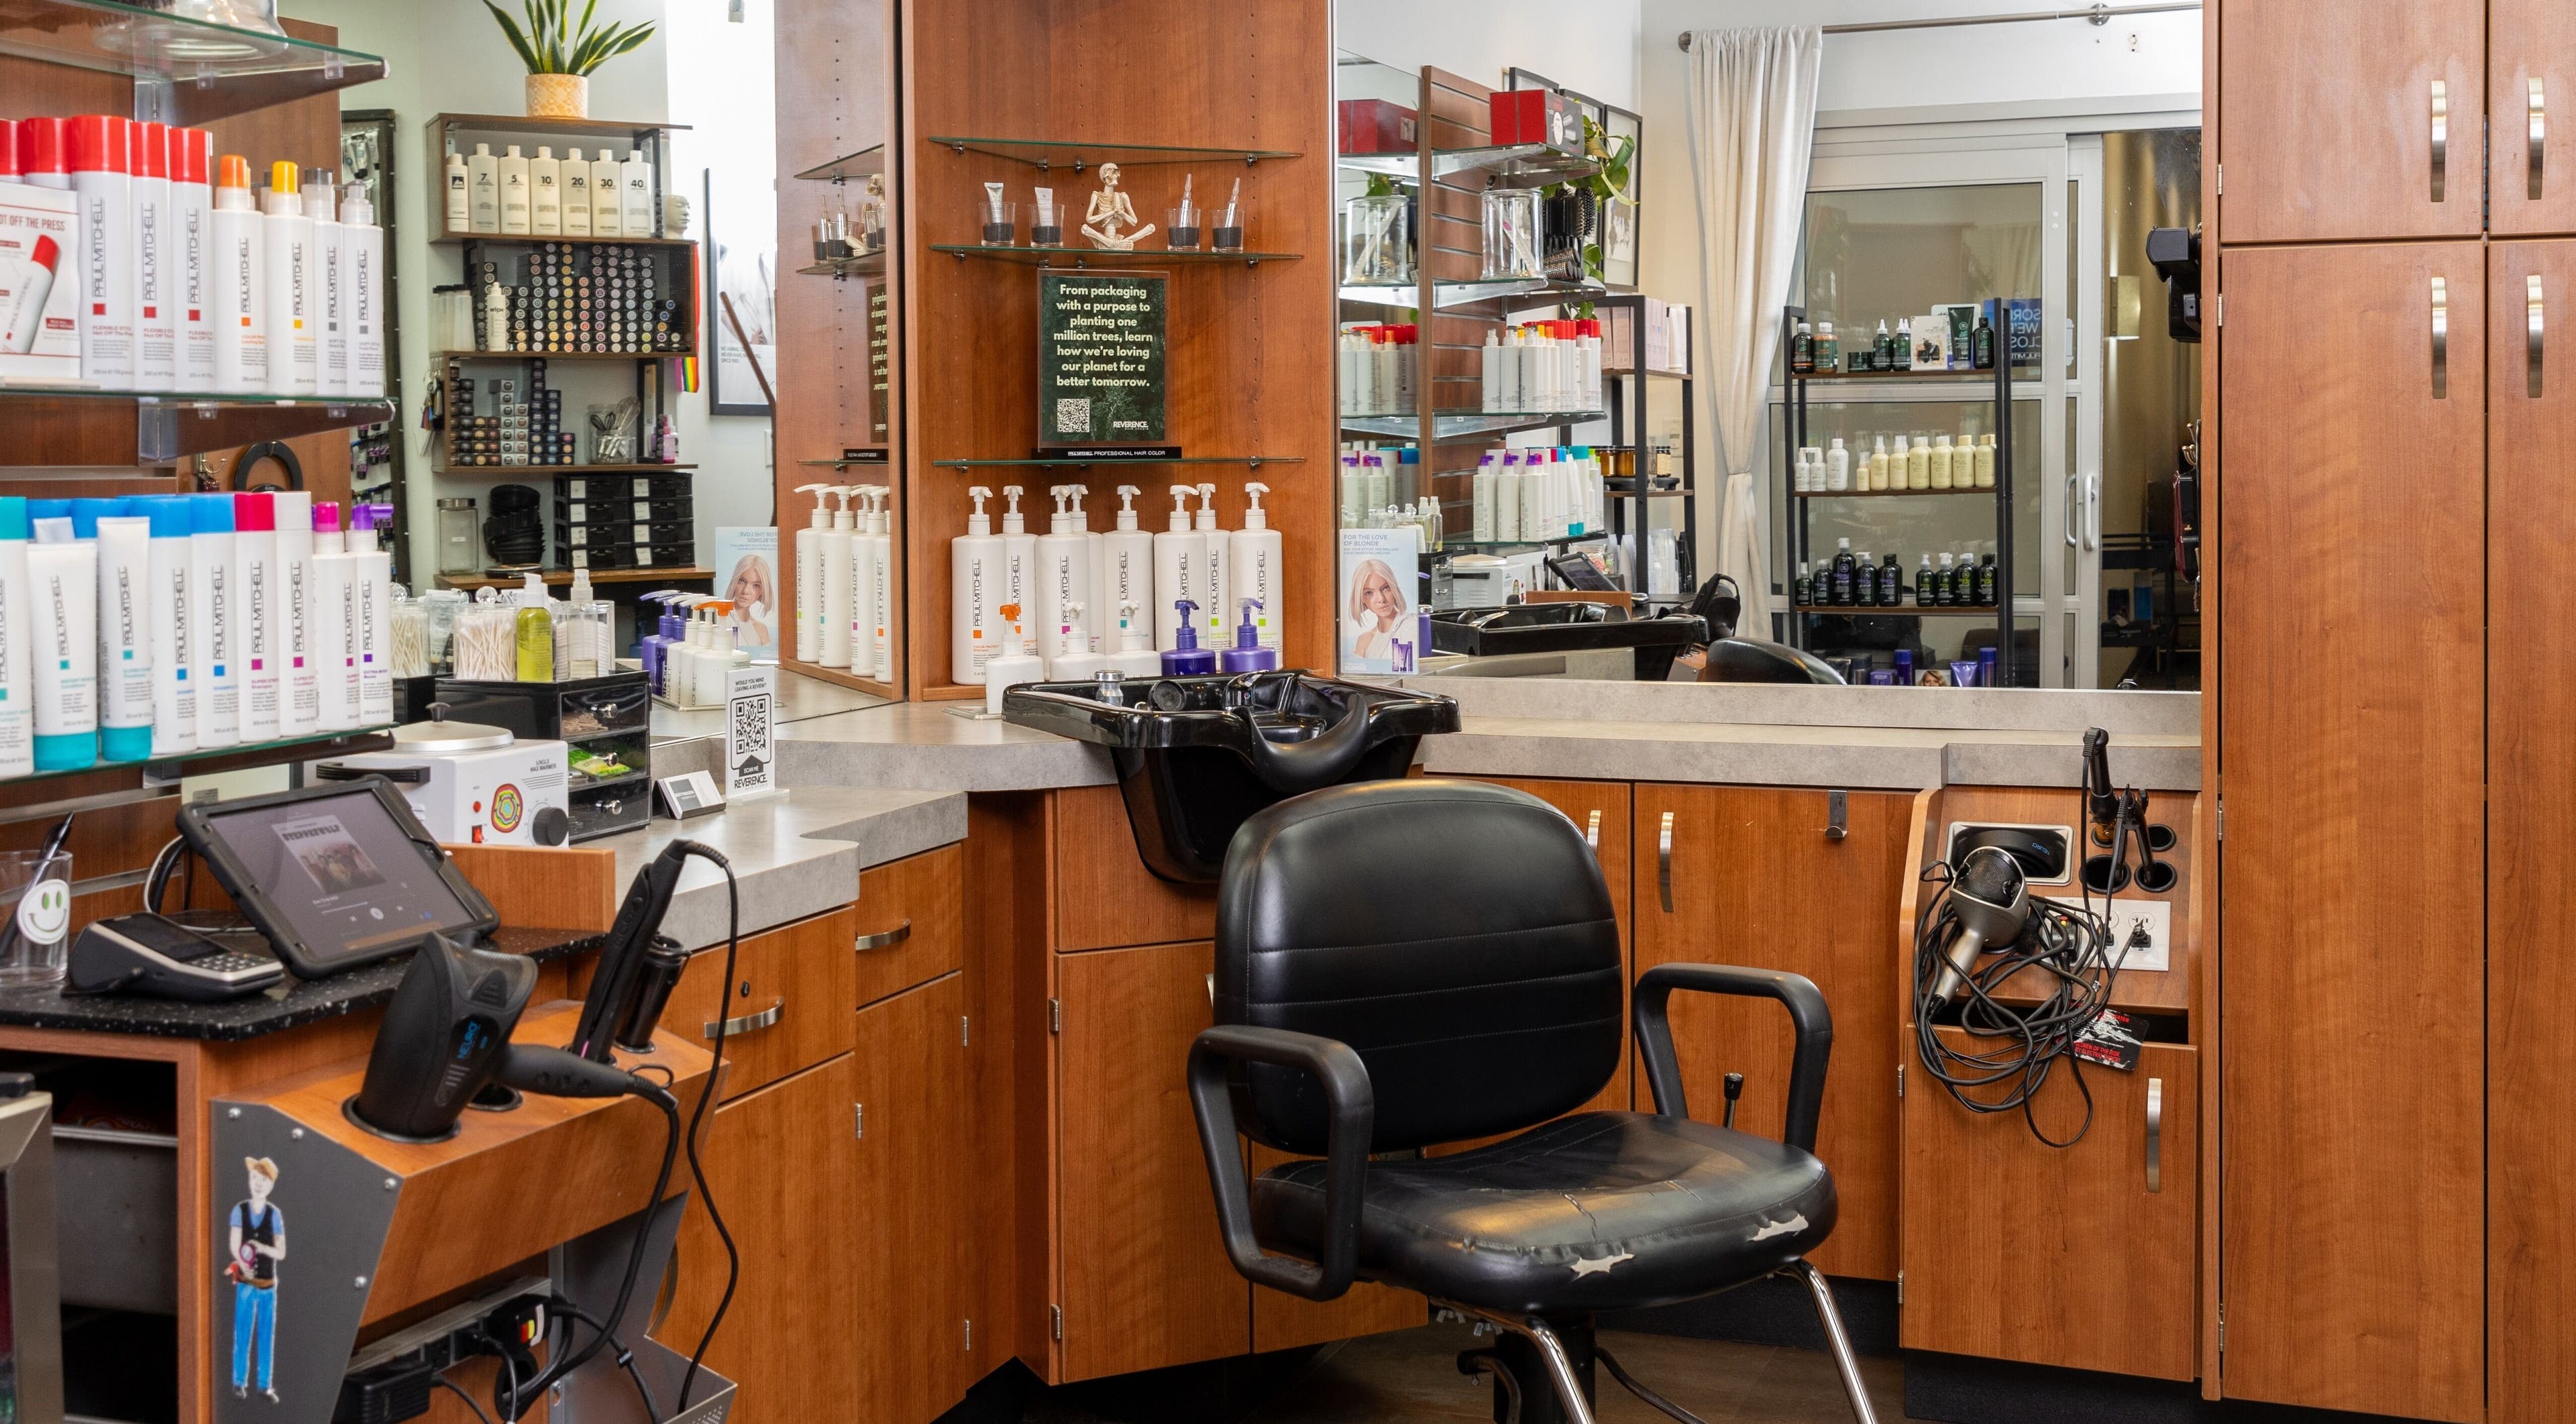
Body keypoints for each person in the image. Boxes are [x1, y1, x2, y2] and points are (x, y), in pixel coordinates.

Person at [226, 1156, 286, 1402]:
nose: (258, 1184)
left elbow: (281, 1252)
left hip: (268, 1286)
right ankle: (239, 1382)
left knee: (265, 1335)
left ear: (271, 1184)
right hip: (246, 1285)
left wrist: (261, 1247)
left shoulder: (274, 1215)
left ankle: (265, 1385)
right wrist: (243, 1264)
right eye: (254, 1178)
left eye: (263, 1180)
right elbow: (234, 1243)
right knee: (242, 1333)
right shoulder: (239, 1210)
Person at [1344, 558, 1406, 666]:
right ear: (1361, 598)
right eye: (1369, 593)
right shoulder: (1364, 640)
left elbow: (1403, 667)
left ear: (1394, 588)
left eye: (1385, 588)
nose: (1381, 599)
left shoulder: (1409, 625)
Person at [724, 552, 775, 652]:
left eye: (756, 585)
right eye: (742, 581)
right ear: (735, 582)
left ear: (762, 590)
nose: (746, 591)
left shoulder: (761, 630)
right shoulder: (720, 619)